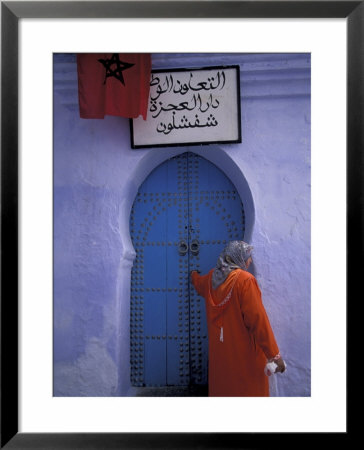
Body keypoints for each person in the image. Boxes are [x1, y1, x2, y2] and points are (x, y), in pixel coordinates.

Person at [191, 241, 285, 397]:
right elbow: (258, 321)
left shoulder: (210, 279)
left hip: (221, 355)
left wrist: (193, 275)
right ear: (238, 258)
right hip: (245, 356)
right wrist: (274, 355)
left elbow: (198, 283)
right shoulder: (245, 281)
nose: (250, 261)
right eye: (247, 257)